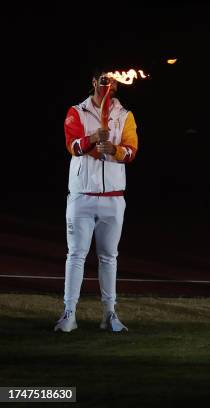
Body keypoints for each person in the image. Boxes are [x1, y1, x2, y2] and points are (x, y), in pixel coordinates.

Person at [54, 69, 138, 333]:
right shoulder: (76, 112)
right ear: (93, 81)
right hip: (82, 196)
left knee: (109, 257)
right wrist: (93, 139)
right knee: (76, 255)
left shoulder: (125, 115)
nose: (108, 85)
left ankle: (109, 314)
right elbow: (73, 146)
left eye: (112, 81)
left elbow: (131, 151)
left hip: (113, 197)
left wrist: (113, 149)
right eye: (104, 80)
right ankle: (69, 313)